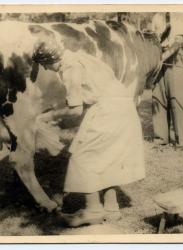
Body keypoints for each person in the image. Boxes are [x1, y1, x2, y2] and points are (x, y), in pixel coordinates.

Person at [32, 41, 145, 227]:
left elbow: (75, 110)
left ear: (52, 59)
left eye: (44, 63)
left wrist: (47, 117)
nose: (45, 68)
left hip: (108, 109)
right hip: (123, 105)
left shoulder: (70, 69)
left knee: (82, 157)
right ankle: (111, 208)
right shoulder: (82, 56)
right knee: (108, 156)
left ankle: (93, 211)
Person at [152, 13, 183, 150]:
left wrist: (162, 58)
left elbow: (178, 42)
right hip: (158, 61)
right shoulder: (157, 16)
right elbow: (154, 39)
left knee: (176, 100)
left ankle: (181, 142)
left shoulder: (182, 16)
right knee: (158, 98)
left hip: (175, 61)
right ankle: (161, 139)